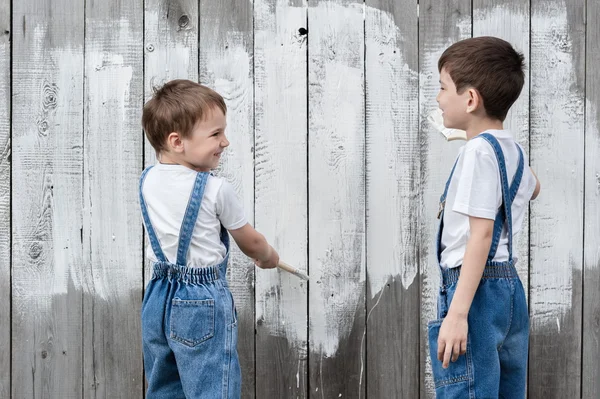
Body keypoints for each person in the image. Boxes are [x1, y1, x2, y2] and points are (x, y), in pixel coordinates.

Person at [139, 79, 279, 398]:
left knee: (164, 385)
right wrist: (268, 256)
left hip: (157, 296)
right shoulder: (215, 190)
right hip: (200, 301)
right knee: (212, 386)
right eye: (216, 134)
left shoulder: (147, 181)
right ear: (177, 142)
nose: (225, 142)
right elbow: (250, 242)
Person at [428, 36, 541, 398]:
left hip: (473, 293)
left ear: (471, 99)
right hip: (509, 290)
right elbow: (533, 187)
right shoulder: (512, 149)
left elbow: (480, 235)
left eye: (443, 87)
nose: (438, 97)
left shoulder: (477, 153)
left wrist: (458, 314)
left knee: (468, 389)